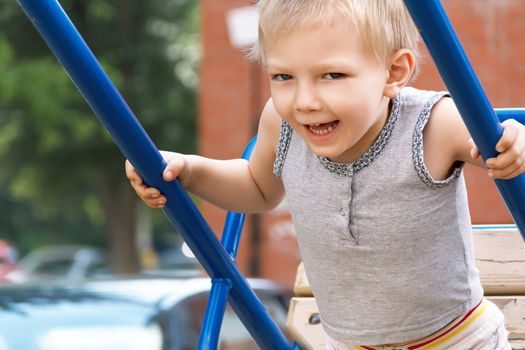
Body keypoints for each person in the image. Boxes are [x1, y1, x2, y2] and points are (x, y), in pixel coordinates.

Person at [126, 1, 525, 348]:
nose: (305, 101)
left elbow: (495, 142)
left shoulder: (432, 125)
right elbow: (256, 187)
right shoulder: (282, 125)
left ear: (393, 72)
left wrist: (514, 143)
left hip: (456, 342)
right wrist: (190, 170)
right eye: (283, 76)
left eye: (331, 75)